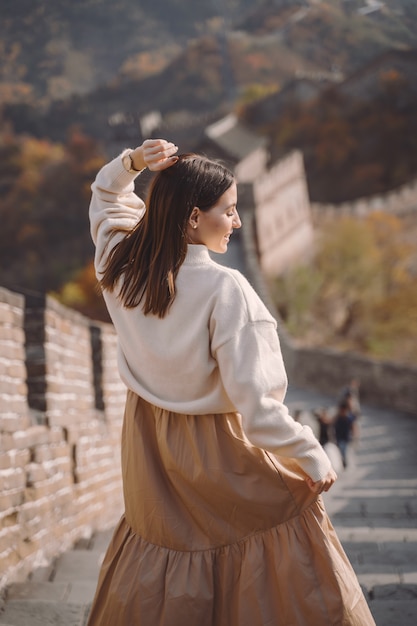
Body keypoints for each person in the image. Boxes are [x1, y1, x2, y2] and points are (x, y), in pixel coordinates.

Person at [86, 139, 375, 626]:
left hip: (148, 445)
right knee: (287, 535)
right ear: (194, 218)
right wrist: (311, 454)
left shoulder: (119, 267)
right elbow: (258, 409)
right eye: (230, 211)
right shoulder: (227, 290)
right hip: (217, 448)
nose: (238, 223)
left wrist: (134, 161)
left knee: (166, 551)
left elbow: (106, 197)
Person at [334, 400, 357, 469]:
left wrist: (354, 435)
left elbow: (353, 427)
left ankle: (345, 462)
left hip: (345, 438)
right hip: (339, 437)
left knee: (344, 450)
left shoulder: (348, 418)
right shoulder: (338, 418)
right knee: (341, 451)